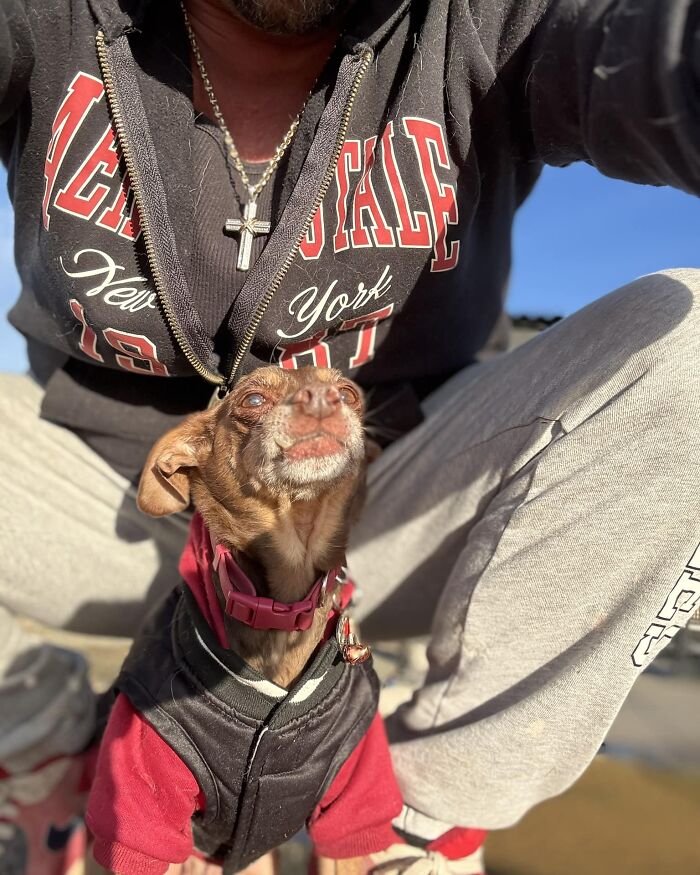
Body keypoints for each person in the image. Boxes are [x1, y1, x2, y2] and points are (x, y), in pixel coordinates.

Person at [1, 0, 699, 872]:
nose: (324, 400)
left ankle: (415, 817)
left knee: (689, 347)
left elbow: (650, 48)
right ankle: (41, 737)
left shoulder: (493, 21)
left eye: (337, 393)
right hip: (95, 500)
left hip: (381, 514)